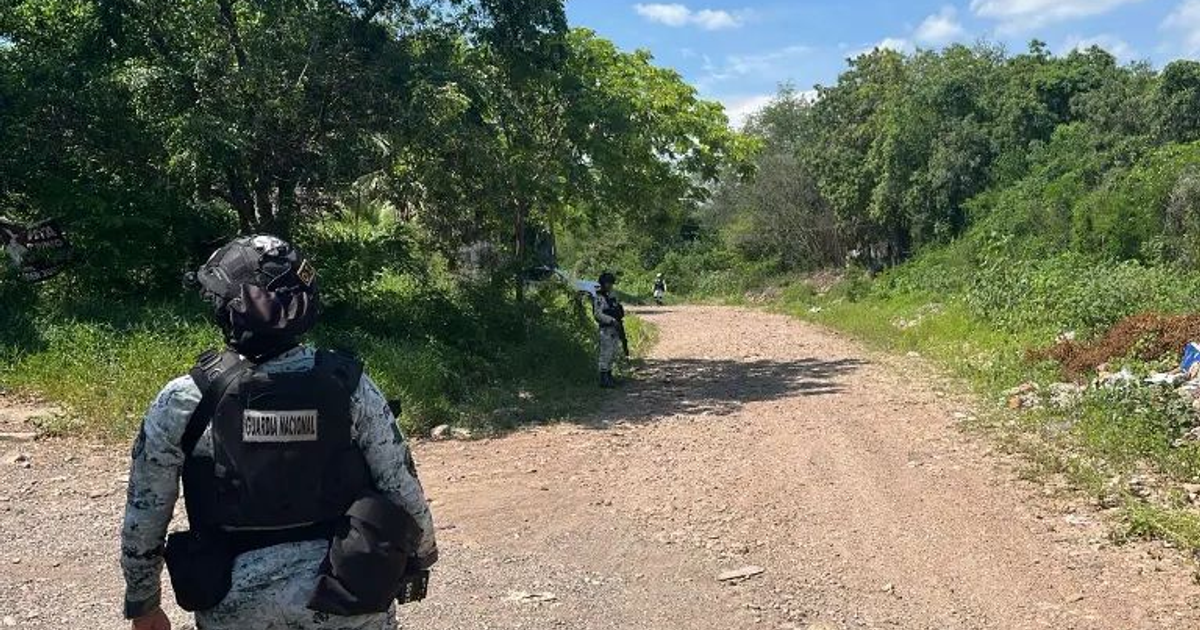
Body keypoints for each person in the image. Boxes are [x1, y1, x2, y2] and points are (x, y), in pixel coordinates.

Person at [120, 234, 438, 630]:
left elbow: (146, 510)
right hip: (346, 594)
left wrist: (143, 600)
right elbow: (401, 485)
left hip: (234, 605)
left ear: (223, 307)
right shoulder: (350, 386)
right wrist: (421, 556)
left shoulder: (187, 398)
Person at [593, 271, 625, 388]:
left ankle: (610, 376)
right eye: (608, 283)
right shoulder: (599, 298)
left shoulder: (611, 297)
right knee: (605, 354)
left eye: (611, 283)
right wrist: (611, 320)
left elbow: (618, 310)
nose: (610, 286)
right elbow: (598, 314)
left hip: (615, 328)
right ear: (603, 283)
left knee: (613, 353)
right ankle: (603, 379)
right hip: (606, 329)